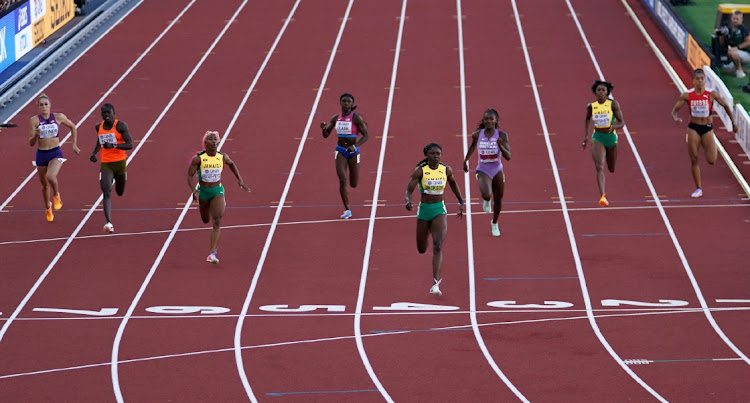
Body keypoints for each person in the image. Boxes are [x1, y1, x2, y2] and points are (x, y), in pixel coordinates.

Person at [405, 143, 465, 296]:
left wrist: (461, 201)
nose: (436, 156)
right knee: (421, 249)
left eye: (438, 153)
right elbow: (409, 189)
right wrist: (408, 200)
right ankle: (426, 235)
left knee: (437, 245)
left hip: (439, 209)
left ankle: (435, 283)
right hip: (424, 210)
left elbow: (453, 184)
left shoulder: (446, 169)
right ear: (427, 155)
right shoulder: (420, 171)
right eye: (433, 154)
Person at [671, 69, 737, 198]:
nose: (700, 81)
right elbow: (674, 111)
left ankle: (708, 145)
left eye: (702, 78)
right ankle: (698, 188)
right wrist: (675, 118)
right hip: (693, 128)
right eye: (698, 79)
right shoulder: (687, 95)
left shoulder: (711, 94)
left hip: (707, 128)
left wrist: (733, 123)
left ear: (705, 80)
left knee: (711, 160)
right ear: (694, 81)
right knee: (694, 158)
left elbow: (726, 106)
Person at [187, 131, 250, 264]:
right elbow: (189, 175)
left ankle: (212, 253)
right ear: (206, 143)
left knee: (217, 220)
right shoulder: (198, 158)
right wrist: (194, 190)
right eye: (211, 139)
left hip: (217, 191)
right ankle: (208, 208)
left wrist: (240, 180)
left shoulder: (222, 157)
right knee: (205, 220)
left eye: (215, 139)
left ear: (219, 142)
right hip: (203, 192)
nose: (214, 141)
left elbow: (232, 164)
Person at [29, 93, 80, 222]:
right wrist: (36, 135)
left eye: (46, 104)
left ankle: (57, 195)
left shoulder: (58, 117)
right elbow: (31, 143)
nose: (44, 107)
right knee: (44, 185)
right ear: (38, 107)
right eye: (41, 105)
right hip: (41, 154)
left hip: (55, 152)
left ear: (50, 105)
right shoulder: (34, 120)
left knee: (51, 176)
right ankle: (48, 208)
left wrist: (74, 145)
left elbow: (73, 126)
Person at [320, 93, 369, 219]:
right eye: (344, 101)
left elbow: (366, 135)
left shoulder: (356, 118)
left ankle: (348, 201)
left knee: (353, 183)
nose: (346, 103)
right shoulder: (336, 118)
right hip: (340, 151)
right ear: (340, 103)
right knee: (342, 180)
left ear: (352, 104)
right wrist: (323, 128)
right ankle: (347, 209)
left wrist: (356, 145)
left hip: (353, 153)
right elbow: (326, 135)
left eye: (348, 101)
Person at [463, 109, 511, 236]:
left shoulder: (502, 135)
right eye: (486, 119)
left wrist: (500, 146)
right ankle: (486, 200)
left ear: (496, 120)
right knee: (486, 194)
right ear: (483, 121)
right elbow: (473, 146)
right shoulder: (477, 134)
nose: (489, 121)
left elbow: (508, 157)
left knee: (499, 199)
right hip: (483, 169)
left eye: (491, 119)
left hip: (497, 169)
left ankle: (494, 223)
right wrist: (466, 160)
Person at [89, 103, 132, 233]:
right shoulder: (99, 126)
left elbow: (130, 144)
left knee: (119, 191)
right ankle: (109, 222)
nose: (106, 115)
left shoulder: (121, 126)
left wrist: (113, 145)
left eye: (109, 113)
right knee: (106, 192)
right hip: (106, 163)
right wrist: (94, 152)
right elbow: (100, 140)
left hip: (120, 163)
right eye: (104, 113)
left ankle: (122, 177)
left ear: (114, 113)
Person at [582, 80, 625, 207]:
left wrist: (615, 127)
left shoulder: (613, 104)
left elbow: (622, 122)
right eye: (598, 90)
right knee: (599, 166)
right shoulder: (592, 106)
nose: (600, 92)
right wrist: (586, 137)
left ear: (607, 92)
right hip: (598, 137)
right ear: (595, 92)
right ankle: (602, 196)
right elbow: (587, 119)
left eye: (603, 90)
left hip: (611, 138)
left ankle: (608, 157)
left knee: (611, 168)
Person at [723, 10, 750, 78]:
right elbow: (723, 44)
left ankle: (740, 71)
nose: (735, 20)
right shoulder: (730, 29)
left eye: (737, 19)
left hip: (747, 53)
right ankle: (746, 71)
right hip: (739, 54)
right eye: (734, 18)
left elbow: (748, 42)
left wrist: (737, 47)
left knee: (732, 52)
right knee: (727, 71)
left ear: (741, 19)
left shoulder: (743, 28)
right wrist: (721, 35)